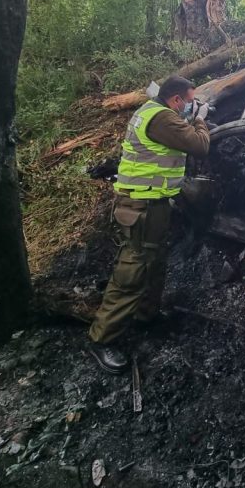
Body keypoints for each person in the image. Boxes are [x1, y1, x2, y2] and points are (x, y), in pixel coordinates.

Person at [87, 76, 210, 374]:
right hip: (140, 206)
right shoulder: (162, 118)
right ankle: (101, 340)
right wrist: (201, 120)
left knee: (154, 261)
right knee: (133, 269)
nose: (193, 105)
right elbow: (199, 146)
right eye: (191, 100)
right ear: (177, 100)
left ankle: (147, 315)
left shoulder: (150, 111)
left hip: (151, 203)